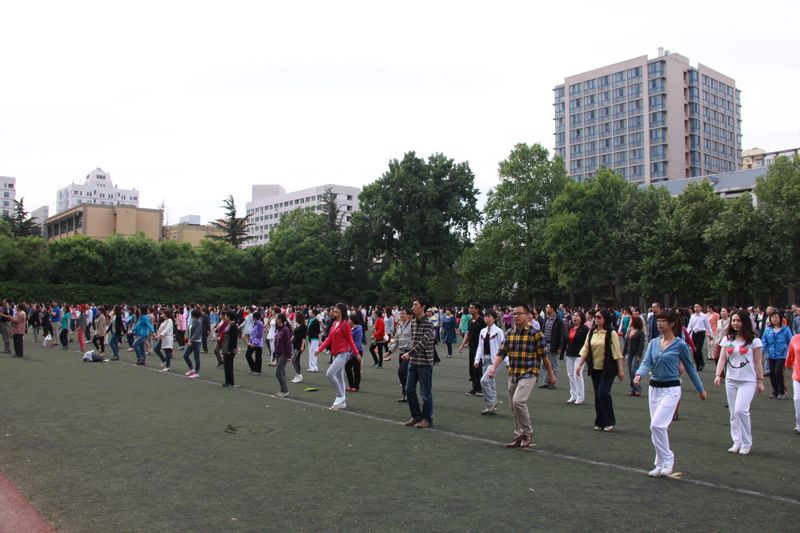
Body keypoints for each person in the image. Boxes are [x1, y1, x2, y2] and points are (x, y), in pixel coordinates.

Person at [634, 309, 707, 477]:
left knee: (657, 425)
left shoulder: (680, 345)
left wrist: (700, 389)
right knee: (656, 428)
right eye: (658, 320)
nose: (659, 323)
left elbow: (690, 368)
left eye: (663, 321)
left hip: (671, 389)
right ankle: (659, 462)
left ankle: (667, 459)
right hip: (654, 388)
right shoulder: (653, 343)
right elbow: (646, 362)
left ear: (672, 324)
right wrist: (639, 374)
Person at [487, 305, 556, 448]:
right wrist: (493, 367)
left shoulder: (535, 333)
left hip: (529, 373)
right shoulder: (510, 332)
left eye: (519, 314)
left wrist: (551, 375)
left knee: (518, 401)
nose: (516, 316)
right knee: (513, 407)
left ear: (528, 315)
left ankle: (527, 433)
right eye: (514, 314)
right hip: (514, 373)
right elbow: (502, 352)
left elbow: (544, 356)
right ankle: (519, 435)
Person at [713, 309, 764, 455]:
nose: (735, 323)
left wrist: (760, 381)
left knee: (740, 410)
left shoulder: (754, 341)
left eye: (739, 320)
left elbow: (758, 362)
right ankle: (737, 441)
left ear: (745, 322)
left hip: (748, 381)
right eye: (733, 320)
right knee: (733, 412)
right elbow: (722, 359)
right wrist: (718, 375)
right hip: (731, 380)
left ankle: (747, 443)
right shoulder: (727, 339)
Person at [576, 308, 624, 431]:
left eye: (599, 317)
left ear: (605, 319)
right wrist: (580, 365)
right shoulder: (591, 332)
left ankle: (609, 421)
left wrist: (620, 369)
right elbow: (585, 349)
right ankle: (600, 421)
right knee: (597, 395)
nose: (596, 319)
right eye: (595, 317)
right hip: (595, 368)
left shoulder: (611, 333)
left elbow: (617, 352)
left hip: (608, 368)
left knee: (603, 393)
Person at [315, 303, 360, 410]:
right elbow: (329, 339)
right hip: (335, 353)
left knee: (329, 374)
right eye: (335, 308)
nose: (335, 310)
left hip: (343, 353)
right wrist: (319, 349)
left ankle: (340, 396)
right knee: (340, 378)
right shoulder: (335, 323)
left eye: (338, 309)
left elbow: (350, 340)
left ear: (342, 311)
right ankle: (342, 402)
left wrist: (356, 353)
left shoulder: (345, 324)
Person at [401, 298, 435, 428]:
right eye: (413, 305)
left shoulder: (429, 324)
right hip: (413, 362)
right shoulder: (413, 323)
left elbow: (424, 342)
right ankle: (416, 416)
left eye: (416, 305)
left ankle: (427, 419)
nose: (413, 307)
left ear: (423, 307)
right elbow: (412, 341)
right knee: (409, 390)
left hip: (424, 362)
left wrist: (409, 353)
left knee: (425, 393)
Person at [474, 309, 505, 415]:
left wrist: (507, 362)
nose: (486, 318)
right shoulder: (482, 331)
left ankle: (491, 403)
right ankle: (491, 407)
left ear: (494, 319)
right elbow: (480, 346)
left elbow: (503, 347)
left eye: (489, 317)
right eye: (485, 316)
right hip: (485, 359)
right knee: (491, 383)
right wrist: (477, 359)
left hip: (495, 360)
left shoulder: (499, 331)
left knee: (484, 380)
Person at [761, 309, 791, 400]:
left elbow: (791, 341)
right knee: (772, 373)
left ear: (780, 318)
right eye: (772, 317)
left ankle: (782, 392)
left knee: (778, 372)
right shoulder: (768, 330)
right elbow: (764, 342)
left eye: (776, 317)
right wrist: (761, 351)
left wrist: (791, 353)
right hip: (771, 354)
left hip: (782, 355)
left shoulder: (785, 329)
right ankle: (775, 391)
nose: (774, 319)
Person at [560, 310, 589, 405]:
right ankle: (573, 395)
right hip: (569, 354)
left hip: (579, 355)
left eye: (577, 316)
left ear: (582, 318)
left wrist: (587, 355)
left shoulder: (585, 329)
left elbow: (587, 343)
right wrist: (562, 353)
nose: (574, 317)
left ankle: (580, 397)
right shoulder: (569, 327)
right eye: (573, 316)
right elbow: (564, 341)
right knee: (570, 375)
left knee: (577, 375)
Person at [459, 302, 486, 396]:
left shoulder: (482, 321)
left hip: (480, 348)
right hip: (472, 346)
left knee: (477, 367)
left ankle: (480, 388)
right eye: (469, 307)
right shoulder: (470, 321)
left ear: (477, 309)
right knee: (472, 368)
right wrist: (462, 344)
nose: (470, 309)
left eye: (472, 308)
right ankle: (475, 387)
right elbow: (468, 334)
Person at [388, 307, 413, 402]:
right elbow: (396, 341)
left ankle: (409, 393)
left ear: (409, 316)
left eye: (403, 313)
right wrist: (389, 352)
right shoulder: (399, 326)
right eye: (400, 313)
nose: (401, 315)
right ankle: (406, 394)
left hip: (409, 353)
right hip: (401, 353)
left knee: (401, 372)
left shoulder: (412, 325)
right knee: (404, 374)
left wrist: (411, 352)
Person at [539, 304, 563, 389]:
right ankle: (545, 382)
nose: (546, 308)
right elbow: (542, 331)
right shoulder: (546, 319)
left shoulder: (558, 321)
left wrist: (559, 347)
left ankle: (553, 383)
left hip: (553, 345)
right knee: (544, 364)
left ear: (553, 309)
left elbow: (561, 335)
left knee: (554, 364)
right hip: (545, 344)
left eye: (548, 307)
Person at [625, 316, 645, 396]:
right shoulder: (630, 330)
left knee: (634, 371)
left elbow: (641, 345)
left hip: (636, 353)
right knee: (630, 372)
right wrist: (623, 353)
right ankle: (632, 388)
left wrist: (639, 355)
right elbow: (626, 342)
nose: (630, 322)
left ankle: (637, 388)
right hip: (630, 353)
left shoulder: (640, 332)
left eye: (631, 320)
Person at [687, 304, 712, 371]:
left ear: (701, 308)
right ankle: (697, 364)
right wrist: (687, 334)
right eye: (695, 307)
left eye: (697, 307)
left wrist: (710, 334)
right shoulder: (692, 316)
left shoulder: (704, 316)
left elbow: (708, 326)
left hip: (701, 333)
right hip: (694, 333)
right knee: (694, 350)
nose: (696, 308)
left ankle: (701, 363)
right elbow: (690, 326)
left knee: (698, 349)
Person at [272, 313, 292, 397]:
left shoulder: (285, 330)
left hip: (284, 354)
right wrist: (274, 354)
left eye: (276, 318)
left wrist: (289, 356)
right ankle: (282, 390)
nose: (275, 319)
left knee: (278, 373)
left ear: (280, 320)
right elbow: (276, 342)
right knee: (282, 373)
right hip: (278, 354)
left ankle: (285, 391)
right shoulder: (278, 329)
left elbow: (288, 343)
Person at [785, 332, 800, 433]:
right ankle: (799, 424)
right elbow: (790, 355)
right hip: (797, 375)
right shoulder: (795, 339)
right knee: (797, 399)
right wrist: (788, 364)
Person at [345, 312, 364, 392]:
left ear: (352, 320)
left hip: (357, 352)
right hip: (351, 351)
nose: (348, 320)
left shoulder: (358, 329)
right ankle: (351, 385)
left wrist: (352, 354)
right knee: (347, 368)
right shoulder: (351, 328)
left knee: (356, 370)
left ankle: (356, 387)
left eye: (349, 319)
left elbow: (357, 343)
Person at [183, 308, 203, 379]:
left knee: (196, 357)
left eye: (191, 314)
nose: (190, 315)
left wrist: (190, 340)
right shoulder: (193, 321)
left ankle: (196, 373)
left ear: (194, 315)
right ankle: (191, 369)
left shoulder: (199, 322)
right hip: (190, 341)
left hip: (196, 342)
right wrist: (187, 338)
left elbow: (196, 333)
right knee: (185, 355)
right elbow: (189, 330)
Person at [222, 311, 239, 388]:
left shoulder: (233, 325)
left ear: (229, 317)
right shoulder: (230, 324)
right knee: (228, 365)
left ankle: (228, 382)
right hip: (226, 346)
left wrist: (230, 349)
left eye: (226, 316)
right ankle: (230, 381)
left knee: (228, 365)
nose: (225, 317)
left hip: (229, 347)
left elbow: (233, 339)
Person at [290, 311, 307, 384]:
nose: (295, 318)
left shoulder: (304, 327)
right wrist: (290, 341)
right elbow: (294, 334)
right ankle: (297, 375)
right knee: (296, 360)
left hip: (299, 346)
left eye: (296, 317)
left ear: (299, 318)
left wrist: (302, 346)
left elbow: (304, 338)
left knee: (293, 360)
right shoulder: (297, 325)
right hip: (295, 344)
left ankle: (299, 375)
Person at [245, 311, 264, 375]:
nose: (252, 318)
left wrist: (254, 343)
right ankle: (253, 368)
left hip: (258, 343)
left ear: (255, 317)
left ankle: (258, 371)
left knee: (258, 357)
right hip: (251, 342)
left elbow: (259, 335)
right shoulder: (254, 324)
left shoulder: (260, 324)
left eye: (253, 317)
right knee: (247, 354)